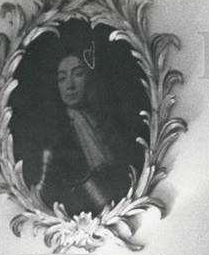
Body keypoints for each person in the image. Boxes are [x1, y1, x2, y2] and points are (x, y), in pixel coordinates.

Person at [23, 38, 142, 217]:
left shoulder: (109, 125)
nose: (70, 85)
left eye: (78, 74)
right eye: (62, 78)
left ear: (91, 77)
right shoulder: (55, 137)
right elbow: (47, 194)